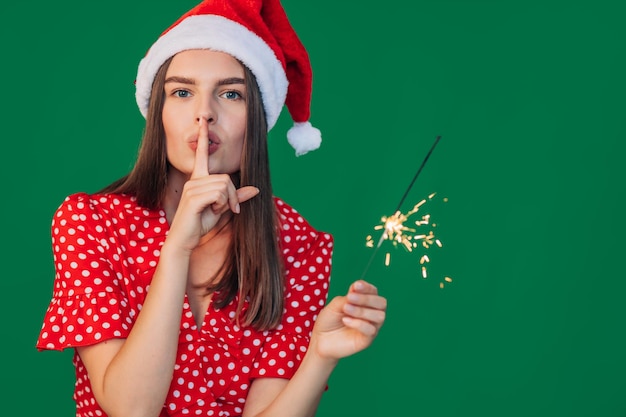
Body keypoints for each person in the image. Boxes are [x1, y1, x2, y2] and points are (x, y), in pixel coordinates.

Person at [36, 0, 387, 416]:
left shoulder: (297, 243)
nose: (204, 114)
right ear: (158, 113)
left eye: (231, 94)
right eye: (182, 92)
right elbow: (130, 409)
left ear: (256, 117)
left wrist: (319, 356)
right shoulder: (90, 222)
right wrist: (178, 247)